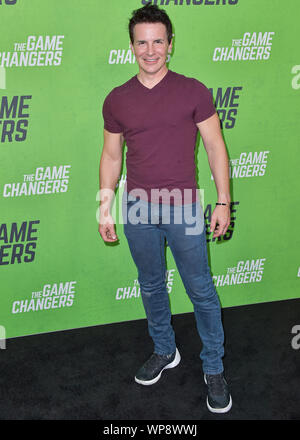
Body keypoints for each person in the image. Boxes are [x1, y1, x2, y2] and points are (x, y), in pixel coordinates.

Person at [99, 4, 232, 414]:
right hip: (138, 207)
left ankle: (213, 367)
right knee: (152, 285)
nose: (150, 50)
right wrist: (105, 205)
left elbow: (215, 148)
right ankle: (164, 350)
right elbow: (110, 156)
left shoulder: (193, 90)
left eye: (158, 41)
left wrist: (224, 201)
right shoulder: (117, 99)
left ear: (170, 45)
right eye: (142, 42)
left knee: (201, 290)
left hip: (185, 206)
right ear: (132, 47)